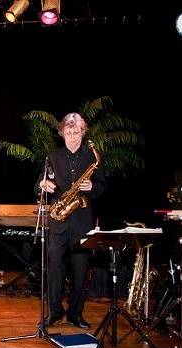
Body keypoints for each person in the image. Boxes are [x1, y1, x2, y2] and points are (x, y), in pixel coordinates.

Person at [37, 112, 107, 329]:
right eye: (69, 132)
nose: (73, 137)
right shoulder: (53, 156)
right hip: (58, 221)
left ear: (82, 133)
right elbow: (40, 181)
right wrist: (42, 184)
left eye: (76, 132)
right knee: (55, 270)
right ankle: (54, 313)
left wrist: (93, 187)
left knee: (80, 271)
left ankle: (76, 314)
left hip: (82, 223)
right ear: (62, 134)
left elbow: (103, 186)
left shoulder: (92, 156)